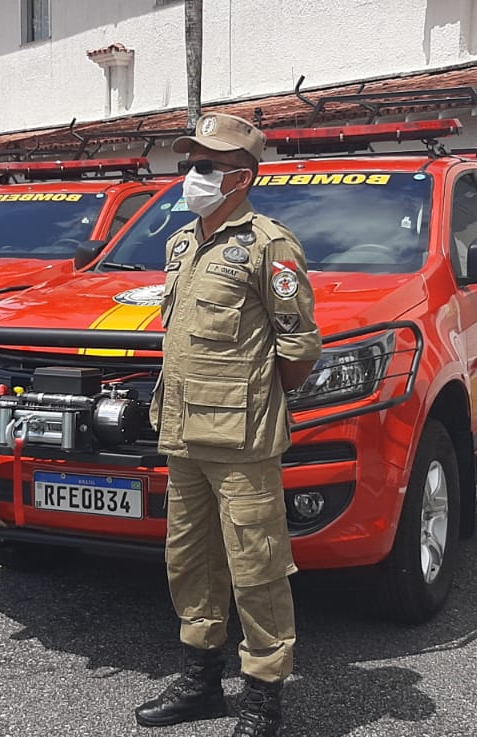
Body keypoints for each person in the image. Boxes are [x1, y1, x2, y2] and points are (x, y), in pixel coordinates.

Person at [134, 113, 320, 737]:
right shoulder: (182, 243)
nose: (194, 175)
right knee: (189, 558)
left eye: (207, 167)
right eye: (191, 164)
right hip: (182, 430)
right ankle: (202, 679)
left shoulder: (271, 245)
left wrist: (261, 401)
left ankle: (263, 696)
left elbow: (297, 348)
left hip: (242, 437)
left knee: (257, 565)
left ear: (241, 177)